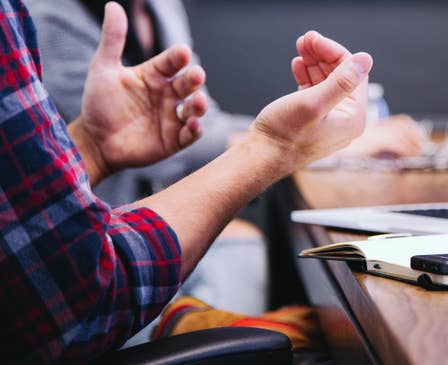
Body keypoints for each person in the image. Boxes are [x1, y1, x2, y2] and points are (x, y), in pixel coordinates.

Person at [0, 0, 373, 362]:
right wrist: (276, 146)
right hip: (95, 309)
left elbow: (201, 122)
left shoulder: (162, 7)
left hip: (108, 265)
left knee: (245, 245)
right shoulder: (39, 14)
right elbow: (79, 296)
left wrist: (93, 148)